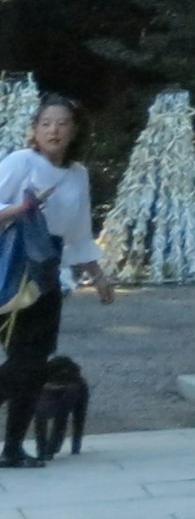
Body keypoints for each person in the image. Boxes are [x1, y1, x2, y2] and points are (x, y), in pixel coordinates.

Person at [0, 93, 118, 467]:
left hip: (46, 274)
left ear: (75, 129)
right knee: (22, 364)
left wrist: (98, 276)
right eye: (46, 123)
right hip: (9, 267)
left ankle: (14, 448)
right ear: (34, 129)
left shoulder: (78, 174)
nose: (54, 130)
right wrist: (22, 209)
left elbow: (79, 234)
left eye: (62, 122)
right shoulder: (21, 162)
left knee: (32, 364)